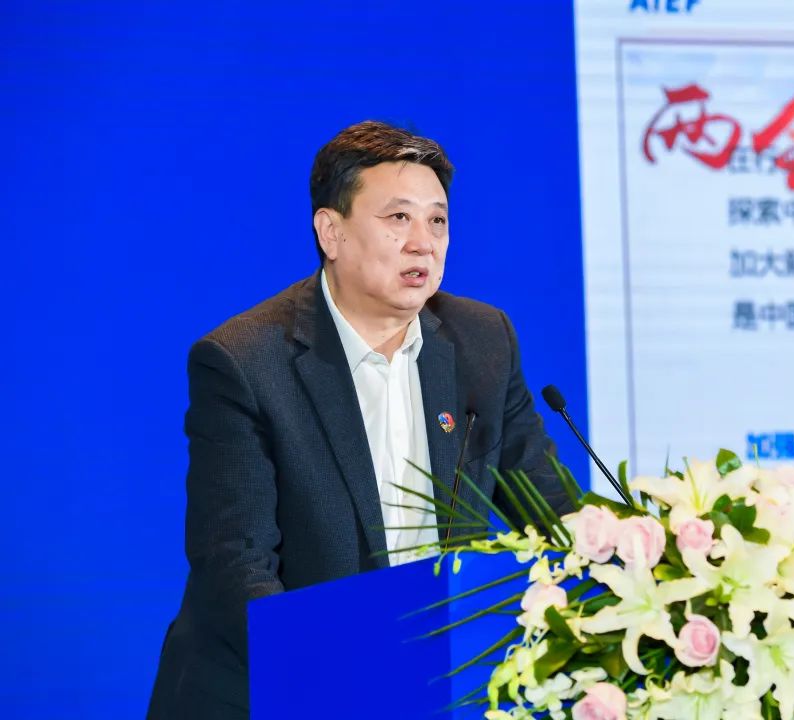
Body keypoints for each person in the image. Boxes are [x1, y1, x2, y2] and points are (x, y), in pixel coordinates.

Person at [148, 121, 571, 719]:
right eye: (398, 218)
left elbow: (550, 508)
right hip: (274, 691)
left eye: (438, 221)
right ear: (332, 232)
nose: (423, 243)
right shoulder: (245, 361)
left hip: (429, 685)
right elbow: (236, 563)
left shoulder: (483, 340)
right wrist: (344, 677)